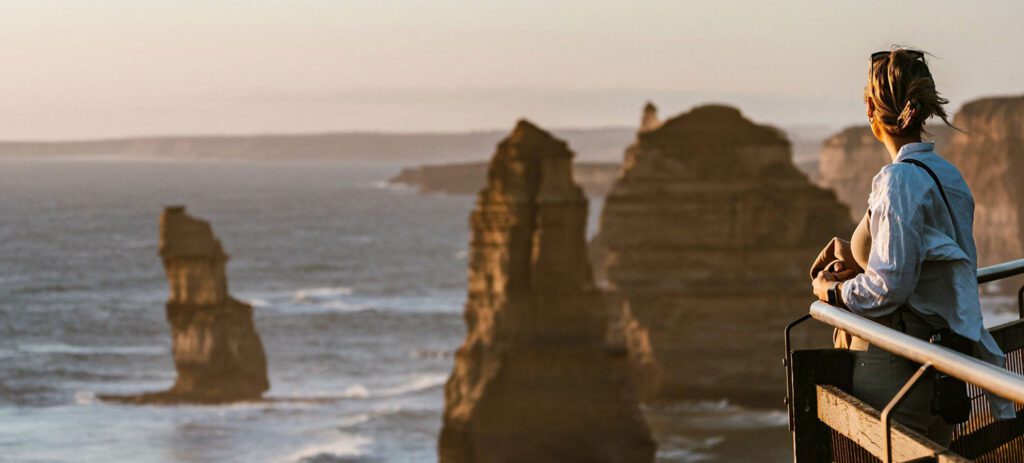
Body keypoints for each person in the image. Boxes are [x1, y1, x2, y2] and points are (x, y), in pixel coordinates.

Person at [811, 47, 1015, 445]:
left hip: (895, 366)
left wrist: (832, 291)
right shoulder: (945, 173)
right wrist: (857, 259)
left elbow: (891, 286)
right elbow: (926, 262)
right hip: (941, 360)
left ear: (871, 109)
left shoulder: (898, 181)